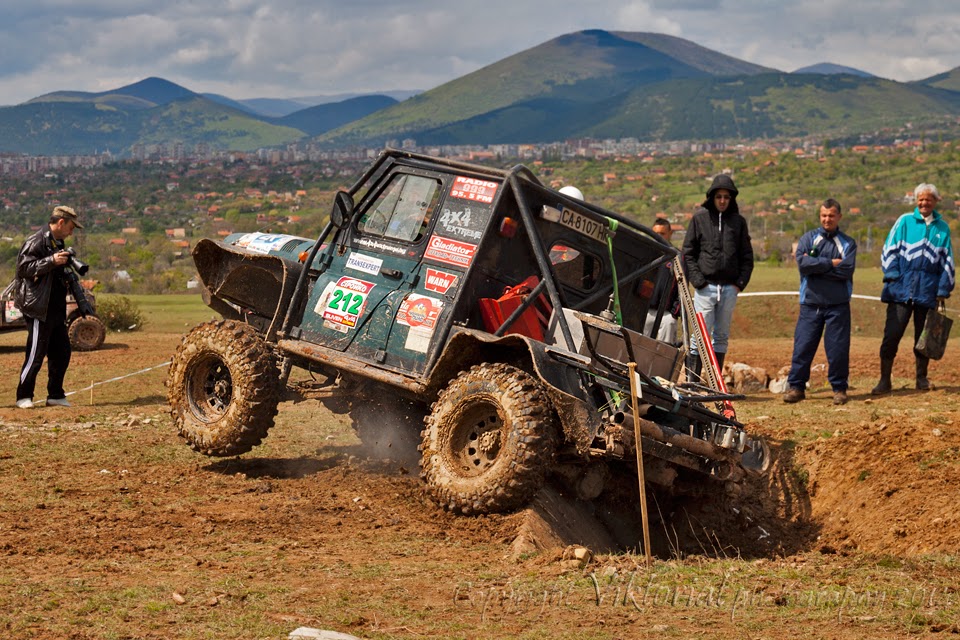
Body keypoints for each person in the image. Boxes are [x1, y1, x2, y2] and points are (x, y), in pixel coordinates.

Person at [872, 183, 954, 394]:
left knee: (923, 338)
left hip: (927, 292)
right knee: (892, 335)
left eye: (928, 199)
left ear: (936, 201)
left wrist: (943, 289)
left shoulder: (942, 228)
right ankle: (884, 380)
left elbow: (947, 261)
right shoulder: (904, 222)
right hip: (900, 291)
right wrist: (892, 275)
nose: (923, 203)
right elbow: (889, 249)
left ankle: (921, 378)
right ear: (916, 201)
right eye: (920, 199)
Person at [783, 199, 857, 405]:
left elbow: (846, 270)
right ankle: (796, 387)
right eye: (824, 215)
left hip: (838, 304)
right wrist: (830, 264)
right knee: (803, 347)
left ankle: (839, 389)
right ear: (819, 216)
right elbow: (803, 264)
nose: (827, 219)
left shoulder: (848, 243)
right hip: (811, 303)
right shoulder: (808, 238)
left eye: (831, 215)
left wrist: (817, 268)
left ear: (839, 217)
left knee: (838, 350)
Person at [681, 174, 754, 379]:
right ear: (712, 197)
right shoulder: (699, 219)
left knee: (721, 337)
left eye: (726, 197)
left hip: (729, 289)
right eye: (719, 196)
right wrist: (698, 281)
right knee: (699, 337)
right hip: (705, 288)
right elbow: (688, 253)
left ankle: (716, 382)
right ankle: (692, 381)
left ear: (732, 199)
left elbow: (747, 256)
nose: (722, 201)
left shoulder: (738, 223)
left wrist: (739, 283)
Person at [13, 205, 85, 408]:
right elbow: (23, 268)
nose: (72, 231)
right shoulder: (35, 241)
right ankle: (23, 396)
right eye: (71, 226)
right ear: (61, 222)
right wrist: (51, 260)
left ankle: (55, 395)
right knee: (35, 353)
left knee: (62, 352)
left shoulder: (58, 241)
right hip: (38, 307)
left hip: (55, 306)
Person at [644, 218, 681, 343]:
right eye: (656, 234)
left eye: (662, 234)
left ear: (670, 233)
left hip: (666, 314)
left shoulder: (678, 258)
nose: (659, 237)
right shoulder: (646, 254)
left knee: (665, 351)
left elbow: (683, 288)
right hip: (645, 311)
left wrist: (674, 313)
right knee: (639, 346)